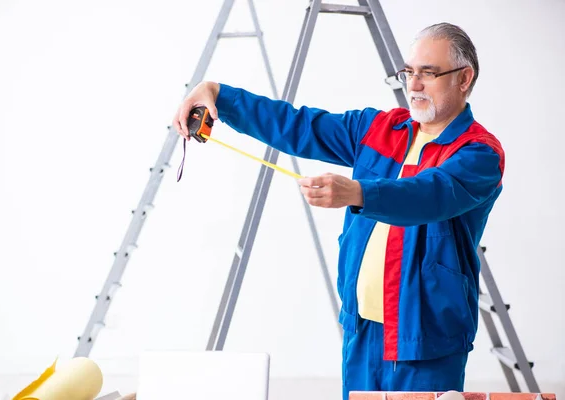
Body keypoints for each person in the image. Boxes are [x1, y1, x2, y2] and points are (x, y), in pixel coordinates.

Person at [173, 22, 504, 397]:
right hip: (362, 328)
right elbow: (299, 126)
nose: (412, 85)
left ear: (464, 78)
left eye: (428, 73)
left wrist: (358, 192)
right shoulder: (380, 128)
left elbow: (428, 195)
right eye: (409, 72)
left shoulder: (479, 154)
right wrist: (221, 95)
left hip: (425, 337)